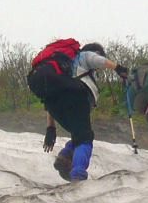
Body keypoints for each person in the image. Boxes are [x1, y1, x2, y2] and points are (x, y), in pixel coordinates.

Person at [41, 43, 129, 181]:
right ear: (97, 52)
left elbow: (50, 101)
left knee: (79, 134)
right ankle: (78, 174)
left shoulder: (62, 71)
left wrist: (50, 128)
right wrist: (118, 68)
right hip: (76, 99)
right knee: (85, 138)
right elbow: (98, 60)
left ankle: (65, 157)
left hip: (54, 106)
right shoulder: (83, 55)